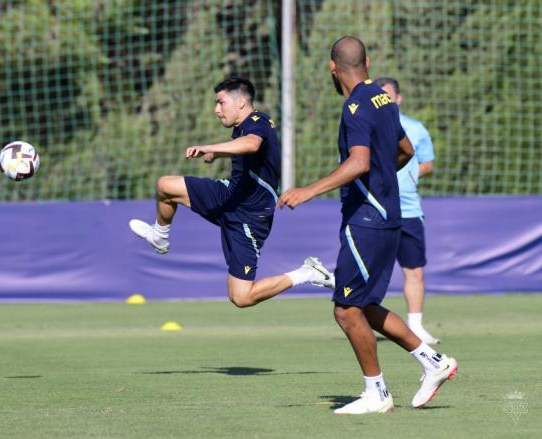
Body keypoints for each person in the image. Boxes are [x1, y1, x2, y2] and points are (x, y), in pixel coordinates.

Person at [279, 37, 457, 414]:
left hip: (368, 220)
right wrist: (380, 178)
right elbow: (406, 151)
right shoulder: (383, 99)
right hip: (387, 215)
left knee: (346, 310)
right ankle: (433, 362)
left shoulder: (355, 106)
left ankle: (376, 393)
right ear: (368, 62)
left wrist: (308, 190)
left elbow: (359, 163)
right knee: (364, 305)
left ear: (332, 67)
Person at [129, 77, 334, 308]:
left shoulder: (259, 120)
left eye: (221, 103)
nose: (217, 110)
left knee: (241, 297)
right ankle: (159, 236)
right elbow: (245, 147)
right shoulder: (240, 129)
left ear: (241, 102)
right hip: (229, 196)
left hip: (250, 217)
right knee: (165, 186)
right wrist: (219, 154)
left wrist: (211, 148)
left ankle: (308, 273)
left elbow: (252, 144)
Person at [375, 76, 439, 345]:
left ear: (398, 98)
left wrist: (410, 172)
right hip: (376, 210)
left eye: (389, 96)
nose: (386, 101)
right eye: (381, 97)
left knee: (414, 270)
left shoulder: (415, 128)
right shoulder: (367, 126)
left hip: (409, 210)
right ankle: (366, 319)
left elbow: (428, 163)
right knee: (373, 269)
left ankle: (415, 325)